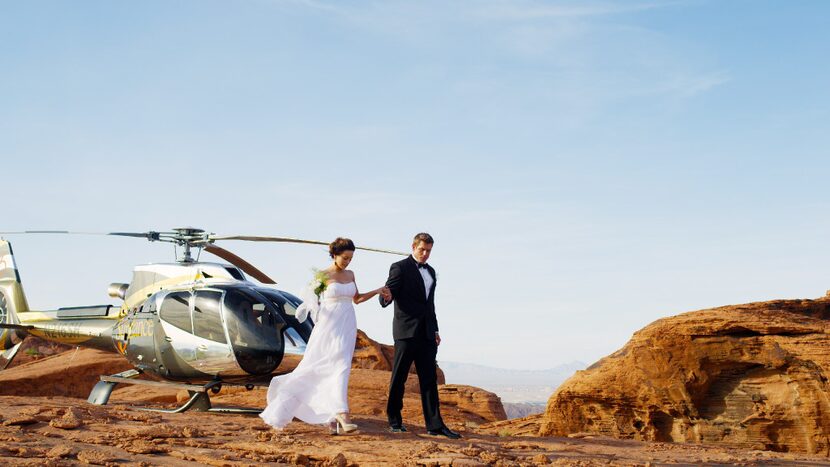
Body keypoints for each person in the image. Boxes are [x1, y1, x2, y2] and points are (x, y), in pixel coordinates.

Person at [260, 237, 388, 434]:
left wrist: (378, 290)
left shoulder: (351, 274)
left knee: (341, 366)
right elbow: (312, 301)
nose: (347, 262)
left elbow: (358, 299)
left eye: (351, 258)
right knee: (324, 367)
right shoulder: (322, 276)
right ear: (335, 255)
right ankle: (341, 415)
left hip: (347, 324)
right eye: (345, 258)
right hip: (329, 326)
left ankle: (333, 419)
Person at [379, 233, 461, 439]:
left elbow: (429, 304)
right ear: (413, 247)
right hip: (405, 332)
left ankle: (435, 425)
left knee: (429, 380)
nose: (425, 254)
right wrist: (385, 297)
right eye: (422, 249)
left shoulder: (431, 272)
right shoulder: (399, 267)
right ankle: (394, 421)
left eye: (429, 250)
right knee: (399, 377)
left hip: (426, 333)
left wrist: (435, 330)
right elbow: (389, 294)